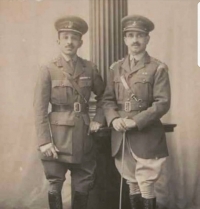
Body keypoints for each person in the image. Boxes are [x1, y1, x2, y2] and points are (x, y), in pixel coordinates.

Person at [34, 16, 105, 209]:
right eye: (65, 37)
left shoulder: (90, 68)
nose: (69, 42)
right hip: (57, 137)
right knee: (55, 181)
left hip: (83, 134)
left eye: (74, 38)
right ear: (58, 40)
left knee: (83, 181)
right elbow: (39, 109)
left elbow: (105, 97)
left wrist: (98, 119)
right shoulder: (47, 69)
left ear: (80, 42)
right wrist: (44, 141)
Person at [103, 15, 171, 209]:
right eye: (130, 35)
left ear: (147, 39)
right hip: (122, 135)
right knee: (131, 181)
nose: (135, 40)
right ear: (125, 39)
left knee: (146, 184)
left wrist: (136, 121)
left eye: (140, 35)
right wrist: (113, 118)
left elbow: (162, 103)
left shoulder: (157, 68)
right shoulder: (116, 68)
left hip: (146, 134)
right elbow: (107, 99)